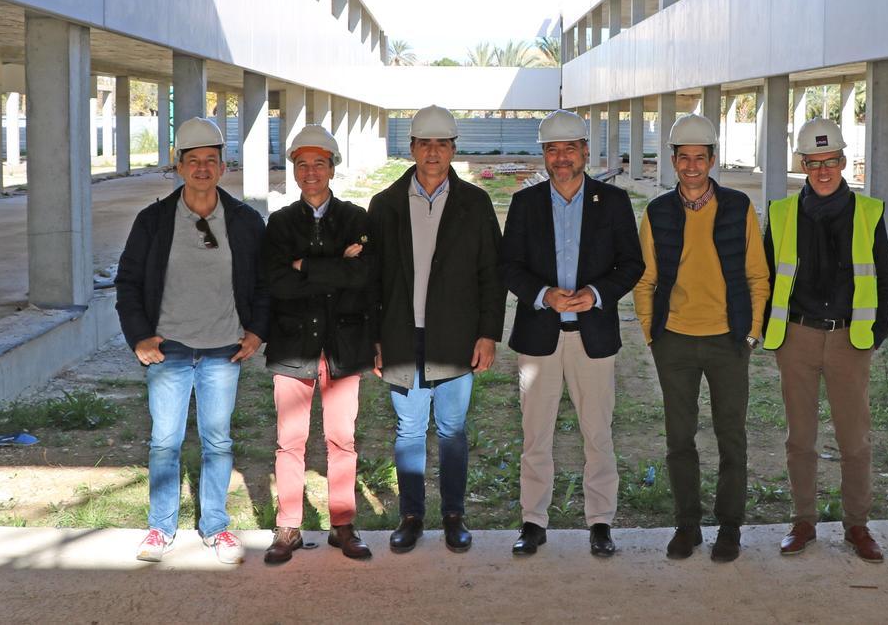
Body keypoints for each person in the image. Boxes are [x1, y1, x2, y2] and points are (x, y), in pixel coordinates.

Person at [116, 117, 268, 564]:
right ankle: (160, 529)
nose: (202, 168)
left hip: (224, 348)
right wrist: (139, 337)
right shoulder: (154, 221)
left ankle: (216, 527)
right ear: (178, 167)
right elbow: (127, 283)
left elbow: (263, 283)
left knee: (217, 440)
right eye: (193, 160)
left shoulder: (243, 220)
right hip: (170, 350)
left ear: (224, 167)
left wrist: (257, 332)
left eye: (211, 160)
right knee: (165, 441)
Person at [500, 110, 644, 558]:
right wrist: (544, 295)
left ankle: (600, 522)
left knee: (598, 433)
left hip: (593, 336)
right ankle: (533, 521)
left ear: (585, 151)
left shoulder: (614, 202)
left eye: (569, 148)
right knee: (535, 435)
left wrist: (597, 294)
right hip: (540, 338)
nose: (561, 158)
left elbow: (632, 265)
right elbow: (509, 266)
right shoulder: (525, 204)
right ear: (544, 155)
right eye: (552, 149)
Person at [367, 105, 505, 554]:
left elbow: (492, 274)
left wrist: (488, 334)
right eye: (424, 143)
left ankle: (453, 516)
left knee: (451, 430)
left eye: (441, 144)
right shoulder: (385, 205)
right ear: (411, 148)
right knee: (408, 431)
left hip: (455, 338)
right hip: (403, 337)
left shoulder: (476, 204)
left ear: (452, 149)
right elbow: (373, 278)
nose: (432, 152)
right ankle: (410, 516)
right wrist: (375, 338)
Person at [633, 114, 771, 562]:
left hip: (728, 341)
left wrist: (751, 334)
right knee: (679, 439)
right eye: (684, 158)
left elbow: (757, 274)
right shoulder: (657, 212)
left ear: (712, 159)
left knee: (732, 437)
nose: (692, 166)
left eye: (700, 157)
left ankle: (729, 529)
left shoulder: (738, 207)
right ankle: (687, 526)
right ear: (673, 160)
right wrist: (653, 338)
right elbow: (645, 279)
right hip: (674, 341)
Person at [763, 117, 888, 563]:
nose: (823, 171)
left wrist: (875, 333)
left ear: (844, 162)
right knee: (800, 438)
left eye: (831, 161)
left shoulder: (869, 212)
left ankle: (857, 526)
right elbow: (765, 276)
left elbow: (883, 278)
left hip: (848, 340)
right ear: (802, 164)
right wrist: (773, 332)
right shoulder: (781, 214)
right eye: (813, 162)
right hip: (796, 337)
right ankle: (803, 521)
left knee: (854, 440)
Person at [261, 125, 374, 564]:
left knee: (341, 440)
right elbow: (277, 284)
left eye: (319, 163)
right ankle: (288, 525)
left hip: (343, 344)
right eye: (302, 164)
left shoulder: (356, 219)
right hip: (294, 345)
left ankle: (342, 524)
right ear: (293, 170)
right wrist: (334, 267)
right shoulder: (280, 222)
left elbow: (363, 277)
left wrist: (304, 264)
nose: (311, 172)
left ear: (332, 167)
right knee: (290, 441)